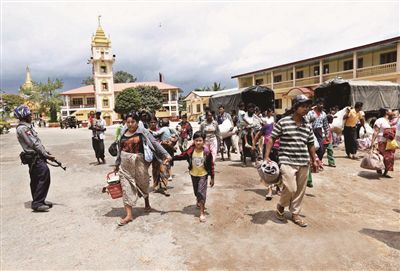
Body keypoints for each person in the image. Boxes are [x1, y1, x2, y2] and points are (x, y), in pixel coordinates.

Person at [264, 95, 318, 227]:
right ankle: (281, 205)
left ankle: (295, 214)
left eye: (307, 106)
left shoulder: (307, 125)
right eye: (303, 106)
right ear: (295, 107)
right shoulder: (284, 122)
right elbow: (272, 138)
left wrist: (314, 159)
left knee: (300, 190)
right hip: (287, 160)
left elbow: (310, 143)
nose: (306, 109)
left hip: (303, 161)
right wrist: (266, 156)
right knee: (290, 187)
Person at [111, 112, 171, 226]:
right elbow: (120, 149)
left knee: (143, 183)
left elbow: (155, 143)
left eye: (132, 122)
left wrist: (166, 154)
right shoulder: (123, 132)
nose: (130, 124)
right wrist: (117, 163)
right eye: (127, 122)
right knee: (126, 187)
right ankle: (129, 215)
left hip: (139, 162)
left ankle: (146, 202)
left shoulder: (143, 132)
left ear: (137, 122)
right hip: (125, 164)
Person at [15, 105, 56, 212]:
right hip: (34, 157)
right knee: (43, 174)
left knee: (36, 179)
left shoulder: (26, 127)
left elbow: (37, 142)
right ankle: (37, 203)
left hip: (35, 156)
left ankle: (40, 200)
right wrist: (46, 155)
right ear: (24, 116)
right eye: (29, 114)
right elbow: (34, 143)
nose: (31, 116)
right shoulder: (23, 128)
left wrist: (45, 151)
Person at [173, 131, 215, 222]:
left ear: (203, 141)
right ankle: (198, 200)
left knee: (201, 192)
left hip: (203, 175)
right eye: (196, 140)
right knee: (196, 192)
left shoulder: (207, 152)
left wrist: (212, 177)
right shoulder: (190, 150)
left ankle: (202, 213)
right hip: (193, 174)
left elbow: (211, 165)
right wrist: (172, 158)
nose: (198, 142)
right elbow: (182, 156)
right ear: (193, 141)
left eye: (200, 140)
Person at [370, 109, 396, 178]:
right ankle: (379, 169)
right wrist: (372, 142)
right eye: (390, 110)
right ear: (386, 112)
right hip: (381, 141)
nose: (392, 112)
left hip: (389, 142)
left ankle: (385, 172)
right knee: (382, 156)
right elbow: (375, 131)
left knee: (389, 157)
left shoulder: (389, 121)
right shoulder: (379, 120)